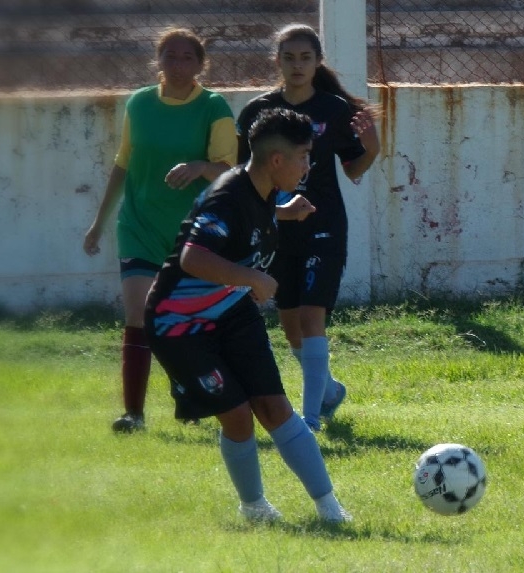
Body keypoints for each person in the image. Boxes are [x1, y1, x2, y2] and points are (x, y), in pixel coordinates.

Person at [144, 107, 352, 523]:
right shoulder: (227, 196)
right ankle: (254, 507)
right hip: (179, 324)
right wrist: (252, 278)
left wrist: (285, 212)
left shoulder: (263, 187)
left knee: (276, 408)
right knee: (238, 416)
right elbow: (192, 257)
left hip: (231, 311)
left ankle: (331, 510)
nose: (308, 166)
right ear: (276, 160)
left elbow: (255, 215)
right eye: (303, 156)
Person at [83, 28, 237, 433]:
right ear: (158, 60)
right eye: (170, 55)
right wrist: (99, 222)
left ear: (201, 64)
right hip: (139, 226)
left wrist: (200, 167)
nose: (178, 64)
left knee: (185, 320)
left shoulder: (213, 107)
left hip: (192, 234)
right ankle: (133, 414)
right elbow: (123, 162)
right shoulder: (139, 103)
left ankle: (191, 394)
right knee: (139, 314)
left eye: (188, 57)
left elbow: (229, 171)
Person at [236, 24, 381, 432]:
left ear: (318, 62)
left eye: (305, 58)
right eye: (289, 57)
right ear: (277, 61)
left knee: (311, 316)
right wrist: (268, 211)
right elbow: (243, 174)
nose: (297, 65)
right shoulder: (258, 111)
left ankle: (311, 419)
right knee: (291, 325)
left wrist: (372, 149)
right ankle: (329, 391)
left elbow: (353, 168)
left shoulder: (334, 110)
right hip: (278, 229)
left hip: (324, 226)